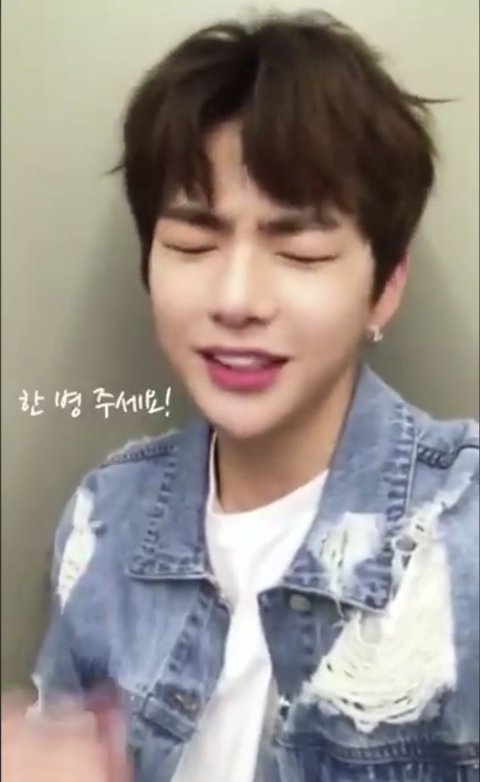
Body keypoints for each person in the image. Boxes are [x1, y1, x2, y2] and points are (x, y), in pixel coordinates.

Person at [2, 9, 479, 782]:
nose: (236, 299)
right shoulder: (104, 518)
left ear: (386, 286)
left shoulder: (466, 531)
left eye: (301, 251)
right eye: (192, 244)